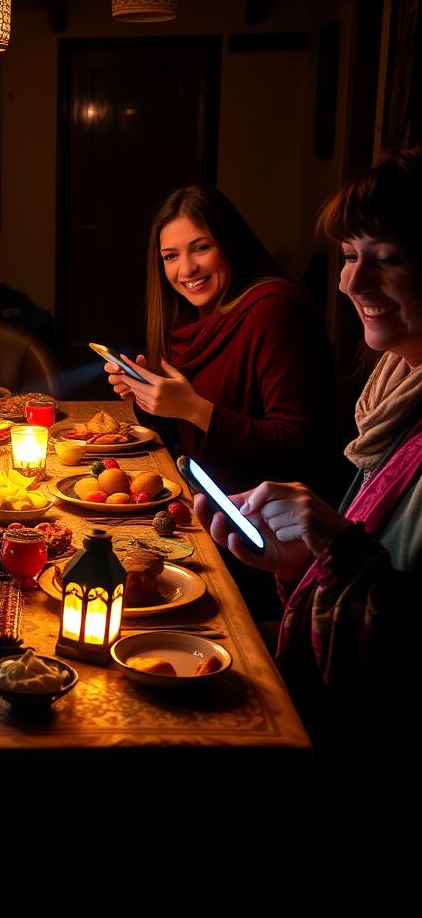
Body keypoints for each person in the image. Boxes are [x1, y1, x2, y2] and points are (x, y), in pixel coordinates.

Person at [194, 149, 422, 745]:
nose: (350, 281)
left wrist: (339, 550)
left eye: (388, 257)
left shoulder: (273, 308)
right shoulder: (394, 391)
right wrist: (305, 559)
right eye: (348, 257)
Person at [105, 186, 335, 495]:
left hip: (265, 518)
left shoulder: (275, 308)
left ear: (231, 244)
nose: (186, 269)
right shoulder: (191, 318)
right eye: (171, 256)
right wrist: (149, 396)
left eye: (201, 248)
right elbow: (185, 435)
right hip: (207, 498)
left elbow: (298, 445)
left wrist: (194, 408)